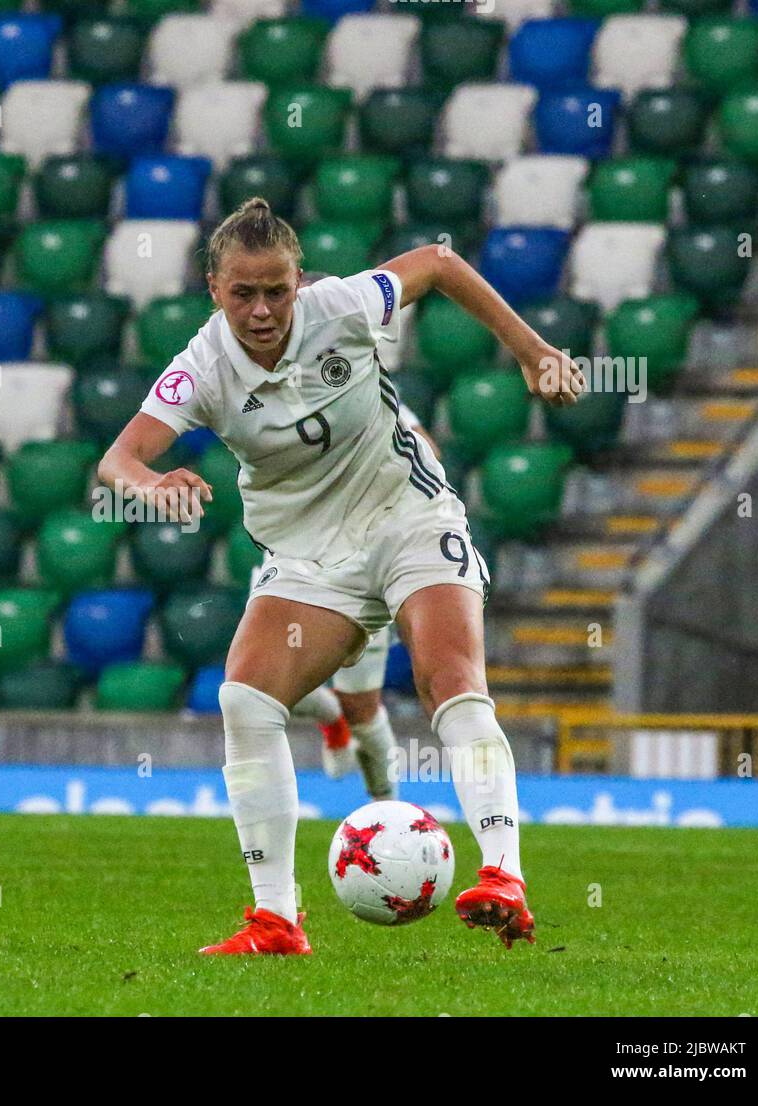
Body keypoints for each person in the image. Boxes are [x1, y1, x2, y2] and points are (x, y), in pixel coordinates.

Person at [97, 198, 584, 955]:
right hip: (309, 557)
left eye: (276, 290)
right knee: (246, 701)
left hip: (408, 517)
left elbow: (440, 260)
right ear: (213, 289)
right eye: (243, 293)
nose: (262, 310)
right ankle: (276, 919)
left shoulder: (341, 304)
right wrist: (150, 486)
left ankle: (503, 874)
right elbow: (120, 458)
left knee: (448, 676)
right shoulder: (199, 368)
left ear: (298, 283)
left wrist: (531, 349)